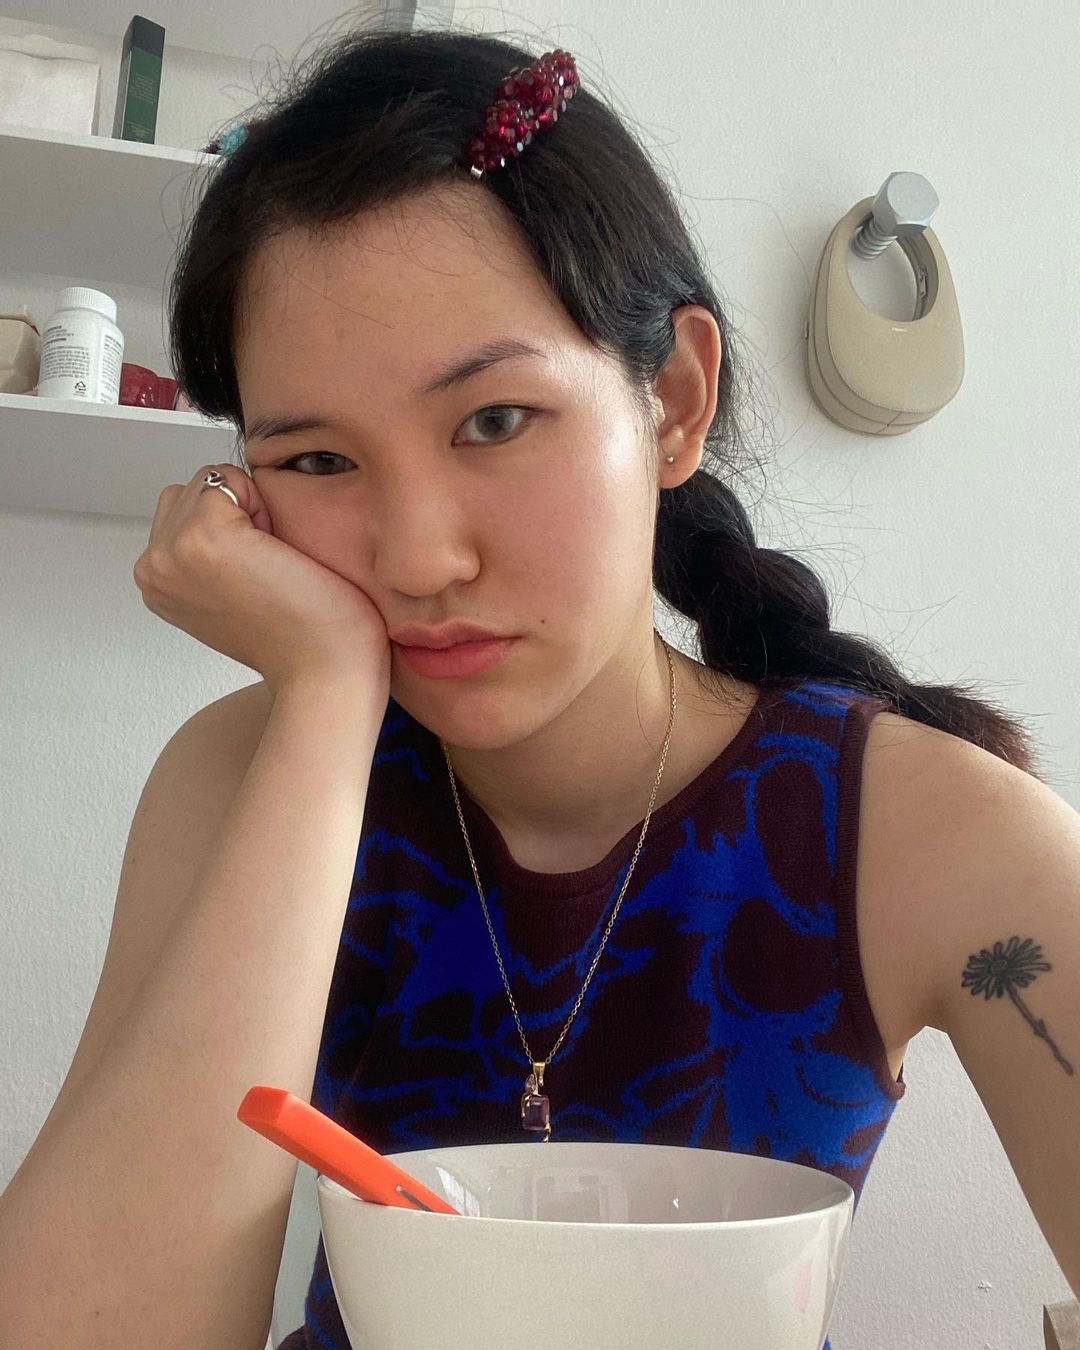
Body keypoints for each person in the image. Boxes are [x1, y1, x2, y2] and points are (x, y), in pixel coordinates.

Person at [4, 25, 1076, 1350]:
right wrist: (326, 701)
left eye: (495, 420)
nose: (418, 560)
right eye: (319, 461)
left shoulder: (922, 829)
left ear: (672, 400)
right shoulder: (244, 777)